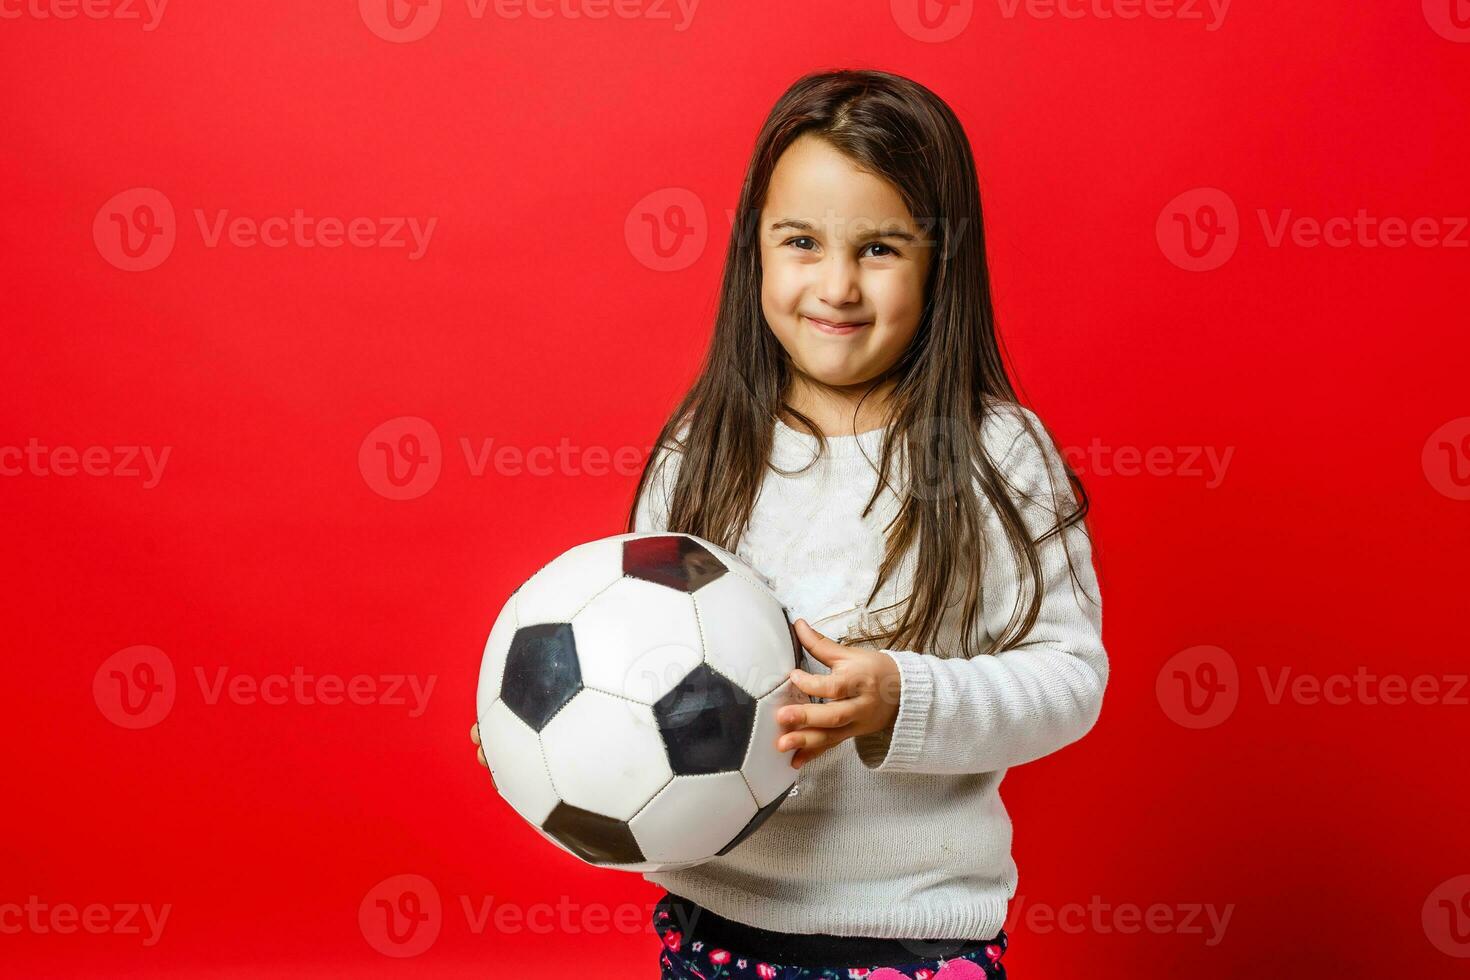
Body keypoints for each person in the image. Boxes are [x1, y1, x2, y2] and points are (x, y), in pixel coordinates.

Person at [475, 67, 1108, 980]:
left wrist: (903, 697)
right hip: (713, 932)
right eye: (802, 241)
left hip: (915, 938)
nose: (838, 285)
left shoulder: (993, 453)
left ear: (942, 260)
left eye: (882, 248)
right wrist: (540, 736)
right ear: (755, 251)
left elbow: (1070, 678)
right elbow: (632, 673)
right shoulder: (704, 448)